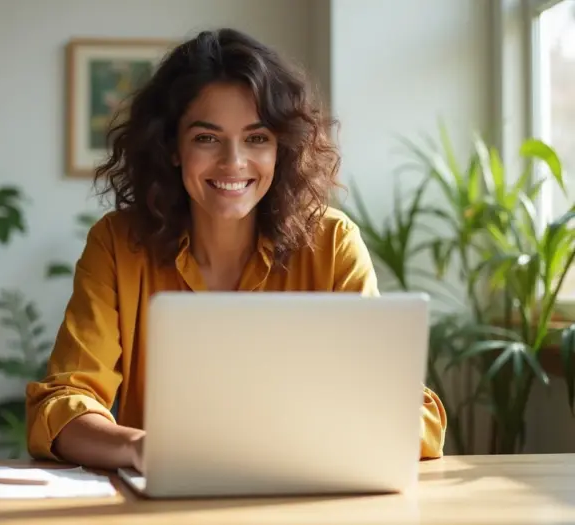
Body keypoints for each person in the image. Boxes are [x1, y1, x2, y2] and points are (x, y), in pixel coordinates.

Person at [26, 28, 447, 472]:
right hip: (163, 498)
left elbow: (413, 418)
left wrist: (304, 442)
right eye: (207, 138)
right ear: (173, 147)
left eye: (257, 138)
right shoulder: (117, 244)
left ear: (280, 148)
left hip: (306, 491)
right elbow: (61, 406)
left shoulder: (332, 243)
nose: (233, 162)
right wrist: (143, 448)